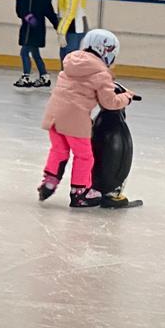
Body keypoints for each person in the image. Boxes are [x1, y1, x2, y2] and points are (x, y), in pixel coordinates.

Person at [37, 28, 131, 209]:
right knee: (84, 156)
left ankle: (49, 181)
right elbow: (110, 102)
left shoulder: (71, 62)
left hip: (54, 116)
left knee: (59, 150)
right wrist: (126, 97)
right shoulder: (101, 73)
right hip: (75, 121)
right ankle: (80, 193)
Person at [14, 0, 58, 88]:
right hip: (26, 29)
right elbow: (19, 10)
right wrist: (28, 17)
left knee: (24, 52)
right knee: (35, 54)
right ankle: (44, 76)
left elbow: (49, 13)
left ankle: (26, 76)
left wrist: (58, 26)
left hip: (37, 30)